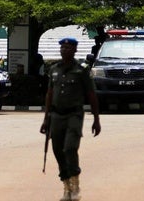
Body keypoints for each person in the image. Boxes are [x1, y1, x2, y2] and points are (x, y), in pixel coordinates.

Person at [40, 37, 101, 201]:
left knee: (70, 148)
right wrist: (46, 119)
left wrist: (96, 119)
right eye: (63, 48)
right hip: (56, 116)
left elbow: (91, 95)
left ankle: (75, 184)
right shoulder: (54, 69)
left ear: (74, 50)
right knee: (58, 151)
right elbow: (49, 95)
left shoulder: (81, 70)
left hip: (74, 114)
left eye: (68, 48)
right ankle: (66, 186)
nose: (64, 50)